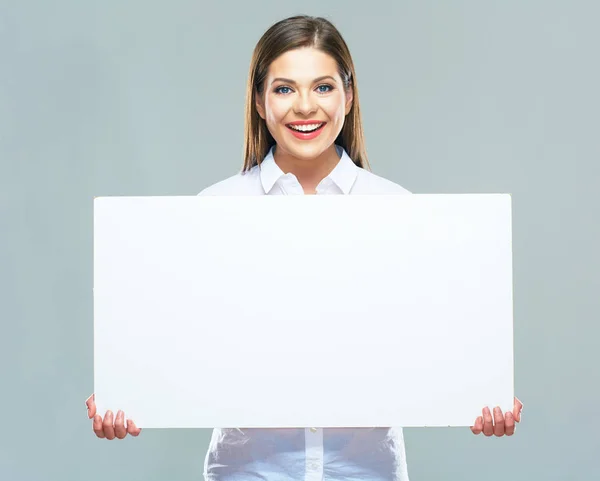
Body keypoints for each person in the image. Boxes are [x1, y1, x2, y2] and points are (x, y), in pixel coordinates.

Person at [86, 14, 523, 481]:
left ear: (348, 96)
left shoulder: (396, 209)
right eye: (284, 89)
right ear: (258, 101)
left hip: (367, 471)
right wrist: (124, 394)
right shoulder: (214, 210)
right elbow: (171, 344)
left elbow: (436, 343)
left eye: (323, 87)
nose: (304, 107)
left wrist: (482, 391)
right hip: (247, 471)